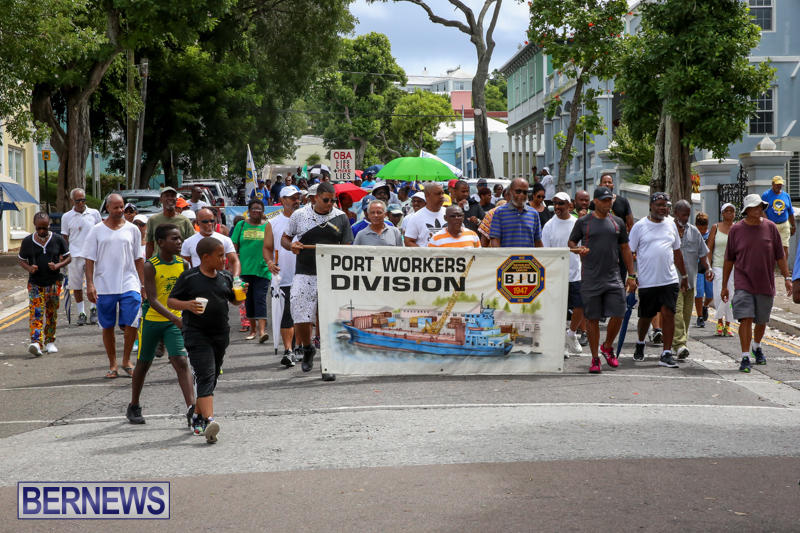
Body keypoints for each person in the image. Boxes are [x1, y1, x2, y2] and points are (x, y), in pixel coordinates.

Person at [168, 237, 247, 443]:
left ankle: (197, 414)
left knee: (212, 377)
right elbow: (171, 301)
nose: (224, 260)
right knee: (205, 374)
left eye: (224, 255)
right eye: (220, 256)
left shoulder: (225, 276)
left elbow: (233, 300)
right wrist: (187, 305)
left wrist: (241, 294)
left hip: (220, 334)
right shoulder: (190, 277)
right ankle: (209, 420)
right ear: (205, 257)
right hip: (196, 333)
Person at [282, 181, 353, 380]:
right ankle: (307, 348)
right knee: (301, 315)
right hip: (305, 272)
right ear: (315, 198)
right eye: (326, 200)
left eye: (333, 201)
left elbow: (347, 246)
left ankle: (328, 364)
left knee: (330, 318)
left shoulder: (341, 217)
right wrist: (291, 245)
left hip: (331, 274)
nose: (330, 204)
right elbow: (285, 239)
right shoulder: (299, 215)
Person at [126, 224, 195, 427]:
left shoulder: (183, 264)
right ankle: (134, 405)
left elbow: (186, 294)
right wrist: (175, 318)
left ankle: (192, 408)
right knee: (143, 364)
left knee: (181, 361)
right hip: (152, 321)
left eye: (180, 238)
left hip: (174, 322)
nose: (179, 242)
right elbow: (153, 299)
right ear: (161, 242)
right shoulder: (151, 265)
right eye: (174, 238)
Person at [722, 194, 792, 373]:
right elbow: (729, 259)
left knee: (761, 320)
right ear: (747, 210)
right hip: (743, 282)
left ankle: (756, 346)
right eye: (755, 207)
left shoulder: (770, 227)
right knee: (746, 317)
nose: (759, 209)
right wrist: (724, 286)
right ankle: (745, 356)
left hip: (765, 282)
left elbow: (780, 256)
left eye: (760, 206)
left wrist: (787, 278)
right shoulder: (736, 230)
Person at [569, 187, 636, 373]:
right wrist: (577, 250)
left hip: (613, 275)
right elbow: (571, 242)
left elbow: (625, 248)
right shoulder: (583, 222)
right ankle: (595, 358)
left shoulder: (617, 222)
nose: (608, 203)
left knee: (620, 311)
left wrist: (631, 275)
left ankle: (607, 346)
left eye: (609, 200)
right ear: (596, 202)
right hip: (591, 277)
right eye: (604, 200)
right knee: (592, 318)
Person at [84, 193, 145, 379]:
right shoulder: (96, 230)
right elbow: (89, 259)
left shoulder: (133, 230)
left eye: (122, 207)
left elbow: (138, 258)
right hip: (104, 285)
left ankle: (126, 360)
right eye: (116, 207)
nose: (120, 210)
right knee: (108, 325)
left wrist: (143, 284)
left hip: (129, 282)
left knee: (132, 321)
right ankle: (113, 364)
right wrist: (90, 284)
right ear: (108, 208)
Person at [628, 192, 689, 368]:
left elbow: (677, 252)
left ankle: (666, 353)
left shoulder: (671, 224)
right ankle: (640, 342)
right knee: (646, 316)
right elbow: (630, 252)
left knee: (669, 314)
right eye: (659, 205)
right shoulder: (640, 226)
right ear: (651, 206)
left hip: (669, 279)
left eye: (666, 205)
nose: (663, 208)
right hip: (648, 281)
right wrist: (631, 276)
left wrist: (684, 276)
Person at [18, 212, 71, 356]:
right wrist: (29, 268)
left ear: (49, 225)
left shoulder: (58, 239)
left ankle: (50, 341)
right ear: (34, 226)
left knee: (51, 313)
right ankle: (36, 342)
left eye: (45, 228)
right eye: (38, 228)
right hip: (35, 283)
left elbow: (68, 257)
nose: (42, 231)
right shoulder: (27, 241)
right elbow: (21, 259)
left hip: (53, 282)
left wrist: (58, 265)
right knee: (36, 312)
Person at [263, 186, 301, 367]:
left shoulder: (306, 219)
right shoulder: (273, 222)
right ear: (282, 200)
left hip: (304, 275)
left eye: (297, 197)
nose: (296, 201)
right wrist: (270, 262)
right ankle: (288, 350)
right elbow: (267, 247)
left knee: (300, 315)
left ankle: (298, 347)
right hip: (282, 276)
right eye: (292, 198)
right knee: (286, 314)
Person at [541, 192, 583, 356]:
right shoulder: (549, 226)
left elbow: (582, 246)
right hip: (556, 275)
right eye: (555, 203)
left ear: (569, 205)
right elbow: (545, 253)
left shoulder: (577, 223)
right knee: (558, 312)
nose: (557, 207)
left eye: (561, 203)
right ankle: (561, 345)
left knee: (581, 306)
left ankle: (571, 334)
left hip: (575, 273)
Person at [671, 200, 712, 361]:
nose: (685, 218)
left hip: (690, 281)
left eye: (688, 215)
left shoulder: (694, 232)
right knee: (677, 312)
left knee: (686, 314)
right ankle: (679, 343)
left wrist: (708, 269)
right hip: (673, 281)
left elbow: (703, 254)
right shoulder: (668, 230)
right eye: (683, 215)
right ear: (676, 213)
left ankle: (679, 344)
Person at [231, 199, 271, 343]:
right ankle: (252, 330)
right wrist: (233, 268)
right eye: (253, 208)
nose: (256, 211)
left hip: (262, 269)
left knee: (260, 299)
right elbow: (233, 247)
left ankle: (262, 331)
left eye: (259, 209)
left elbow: (272, 246)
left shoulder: (268, 226)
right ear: (248, 210)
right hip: (244, 270)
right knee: (248, 300)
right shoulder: (241, 225)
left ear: (263, 211)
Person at [60, 187, 102, 325]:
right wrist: (64, 255)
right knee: (76, 285)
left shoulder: (94, 213)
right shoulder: (67, 217)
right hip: (75, 255)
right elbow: (64, 237)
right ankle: (81, 313)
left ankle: (94, 309)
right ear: (72, 201)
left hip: (92, 254)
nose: (81, 203)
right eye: (78, 201)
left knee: (94, 283)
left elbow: (100, 232)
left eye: (83, 200)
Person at [181, 208, 240, 276]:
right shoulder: (188, 242)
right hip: (197, 280)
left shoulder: (225, 240)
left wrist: (235, 279)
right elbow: (184, 264)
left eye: (212, 221)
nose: (209, 224)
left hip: (220, 279)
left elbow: (234, 261)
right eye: (205, 221)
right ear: (197, 223)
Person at [707, 203, 736, 336]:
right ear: (722, 213)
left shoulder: (737, 228)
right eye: (726, 211)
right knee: (719, 293)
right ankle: (719, 322)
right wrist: (708, 267)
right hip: (718, 266)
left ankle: (728, 324)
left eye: (732, 211)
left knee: (731, 295)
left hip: (733, 267)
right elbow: (709, 248)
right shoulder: (716, 227)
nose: (729, 213)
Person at [489, 178, 543, 248]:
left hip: (528, 255)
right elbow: (495, 240)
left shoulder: (534, 214)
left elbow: (538, 241)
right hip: (507, 255)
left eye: (525, 192)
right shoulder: (499, 213)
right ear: (510, 191)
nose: (522, 195)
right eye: (518, 191)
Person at [145, 187, 195, 259]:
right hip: (158, 263)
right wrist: (148, 262)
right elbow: (149, 244)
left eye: (172, 196)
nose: (170, 198)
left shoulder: (185, 221)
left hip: (178, 262)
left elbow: (191, 244)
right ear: (161, 199)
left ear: (176, 199)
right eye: (167, 196)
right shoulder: (153, 220)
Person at [761, 175, 795, 262]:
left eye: (780, 184)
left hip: (784, 224)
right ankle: (771, 267)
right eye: (777, 184)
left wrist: (793, 225)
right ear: (772, 184)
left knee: (785, 247)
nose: (779, 186)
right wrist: (768, 223)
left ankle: (783, 267)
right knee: (770, 248)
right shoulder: (766, 195)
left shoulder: (786, 196)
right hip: (771, 225)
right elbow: (762, 211)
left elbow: (790, 212)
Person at [693, 212, 714, 328]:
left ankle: (705, 306)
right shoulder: (693, 235)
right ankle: (700, 317)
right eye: (699, 228)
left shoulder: (710, 235)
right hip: (697, 268)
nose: (701, 231)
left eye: (704, 228)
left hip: (708, 267)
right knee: (699, 292)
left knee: (710, 294)